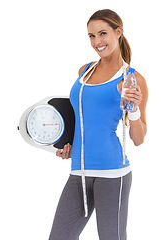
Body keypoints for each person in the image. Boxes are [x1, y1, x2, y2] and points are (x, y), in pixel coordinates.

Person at [49, 9, 148, 240]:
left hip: (113, 173)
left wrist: (133, 110)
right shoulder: (84, 71)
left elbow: (139, 138)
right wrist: (69, 144)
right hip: (79, 172)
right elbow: (82, 118)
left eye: (102, 33)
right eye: (91, 36)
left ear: (118, 32)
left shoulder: (132, 79)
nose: (97, 42)